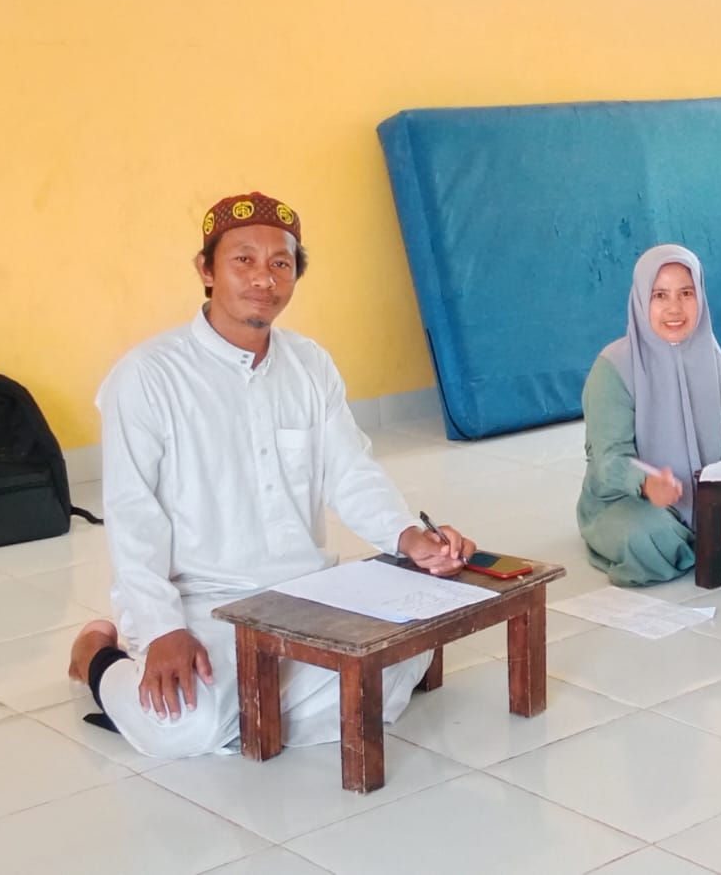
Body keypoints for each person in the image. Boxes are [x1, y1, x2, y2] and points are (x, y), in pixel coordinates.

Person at [67, 191, 476, 759]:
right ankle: (97, 655)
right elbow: (133, 516)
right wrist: (162, 629)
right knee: (180, 726)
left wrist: (407, 536)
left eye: (280, 263)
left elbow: (349, 470)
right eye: (244, 260)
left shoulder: (309, 363)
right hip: (201, 601)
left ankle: (253, 711)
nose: (264, 278)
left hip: (305, 591)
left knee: (403, 653)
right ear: (206, 270)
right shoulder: (147, 376)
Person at [577, 243, 721, 586]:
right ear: (641, 300)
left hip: (710, 500)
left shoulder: (710, 355)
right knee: (644, 536)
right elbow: (609, 461)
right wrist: (648, 483)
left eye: (686, 293)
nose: (675, 308)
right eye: (660, 295)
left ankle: (711, 540)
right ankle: (711, 545)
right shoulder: (613, 367)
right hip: (631, 502)